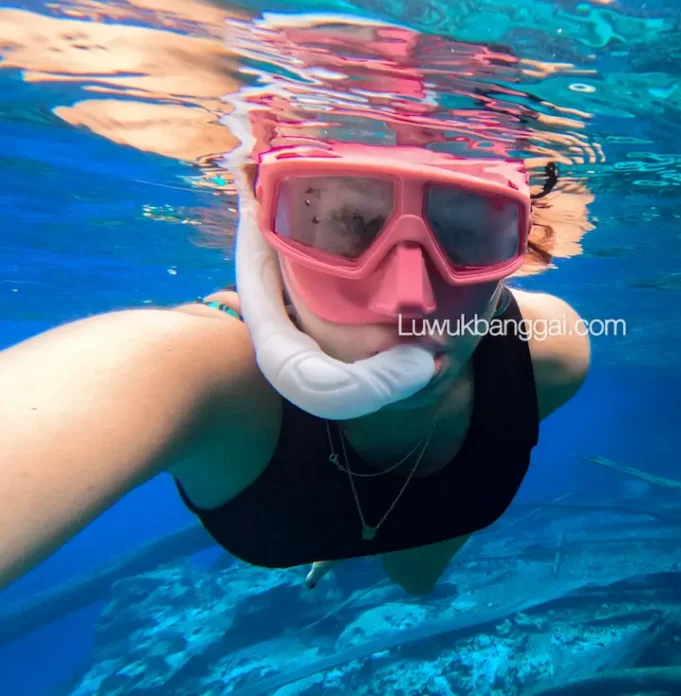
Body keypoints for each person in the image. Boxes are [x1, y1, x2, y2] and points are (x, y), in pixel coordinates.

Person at [0, 137, 591, 597]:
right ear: (264, 233)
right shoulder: (202, 372)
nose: (406, 300)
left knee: (416, 583)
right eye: (350, 227)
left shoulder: (548, 352)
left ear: (516, 250)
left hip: (428, 534)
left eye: (465, 233)